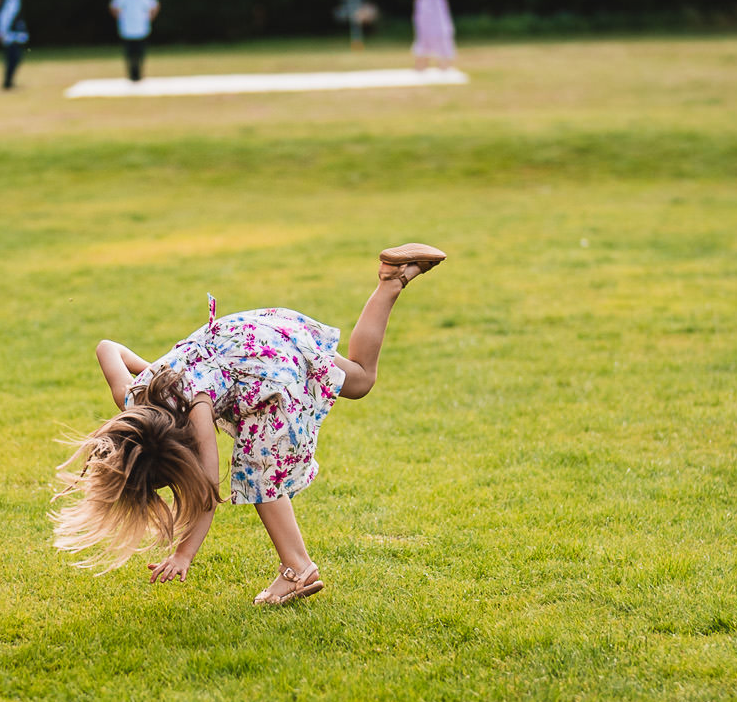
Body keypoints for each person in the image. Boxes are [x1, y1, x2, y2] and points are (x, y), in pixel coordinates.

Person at [53, 243, 448, 605]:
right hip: (253, 336)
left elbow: (207, 492)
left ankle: (298, 569)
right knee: (359, 380)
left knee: (258, 471)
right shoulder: (131, 395)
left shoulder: (196, 409)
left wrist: (183, 554)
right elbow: (108, 348)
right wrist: (157, 371)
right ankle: (392, 278)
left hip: (261, 366)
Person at [109, 0, 160, 81]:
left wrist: (150, 17)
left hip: (141, 29)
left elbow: (154, 6)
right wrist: (119, 17)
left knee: (140, 54)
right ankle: (131, 76)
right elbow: (114, 7)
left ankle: (139, 75)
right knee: (129, 54)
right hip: (127, 29)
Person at [0, 0, 30, 91]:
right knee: (13, 58)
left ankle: (9, 82)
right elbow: (5, 16)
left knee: (13, 58)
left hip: (12, 34)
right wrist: (2, 32)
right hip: (11, 35)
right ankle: (8, 83)